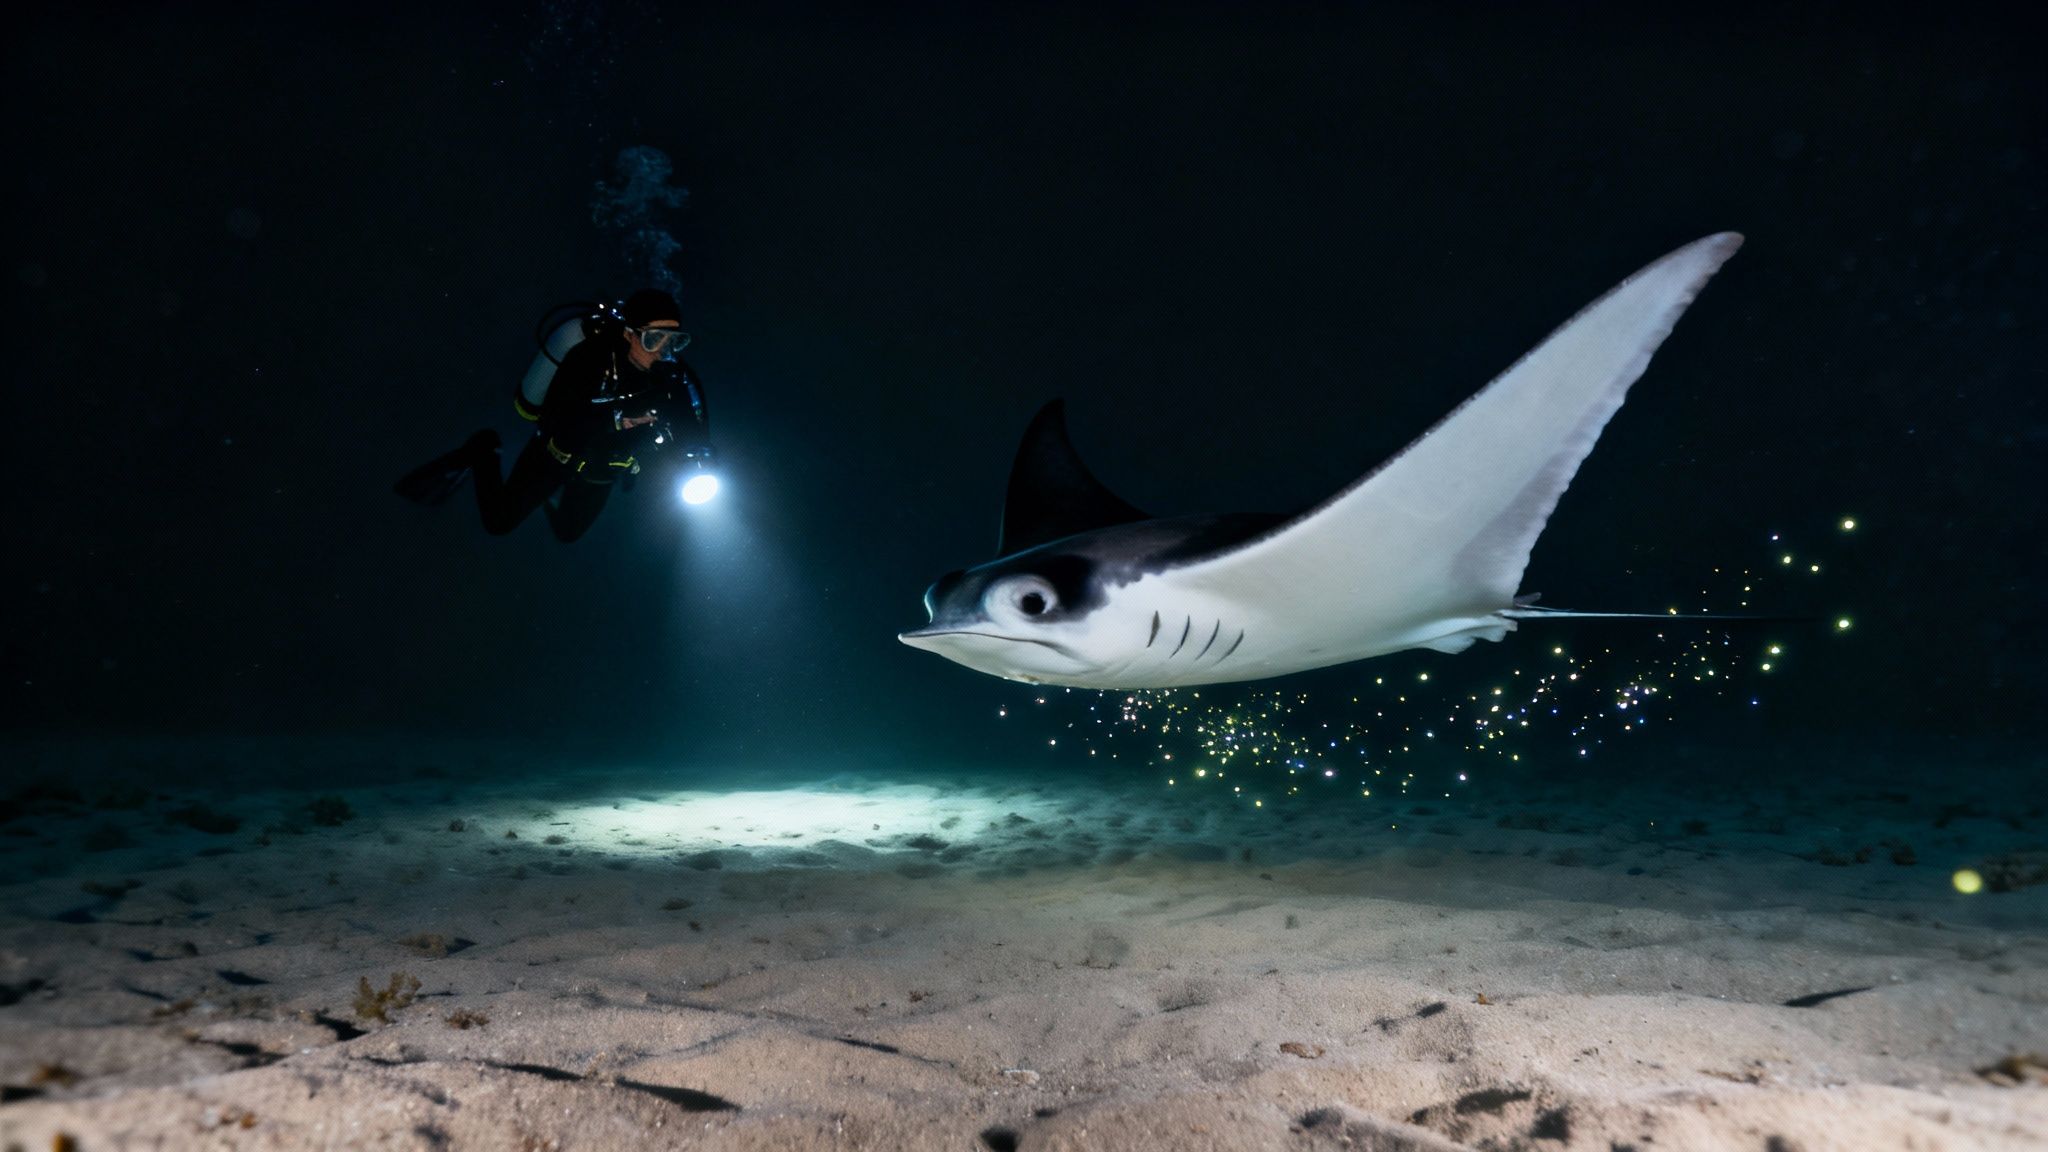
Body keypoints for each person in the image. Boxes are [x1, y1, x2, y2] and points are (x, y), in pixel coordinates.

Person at [395, 289, 710, 542]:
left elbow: (693, 435)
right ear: (629, 334)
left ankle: (552, 500)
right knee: (498, 522)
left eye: (674, 341)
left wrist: (698, 460)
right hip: (554, 457)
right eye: (654, 338)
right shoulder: (592, 357)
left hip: (602, 473)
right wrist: (619, 417)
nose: (662, 351)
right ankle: (484, 449)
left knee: (567, 532)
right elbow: (558, 417)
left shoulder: (673, 381)